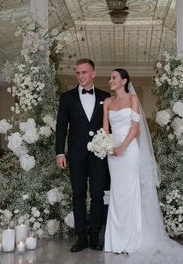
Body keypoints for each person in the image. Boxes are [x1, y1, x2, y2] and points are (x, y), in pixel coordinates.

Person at [103, 68, 183, 263]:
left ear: (124, 81)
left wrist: (122, 147)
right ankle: (115, 241)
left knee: (130, 192)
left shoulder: (132, 100)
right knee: (117, 193)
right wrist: (105, 145)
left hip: (129, 152)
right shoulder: (107, 102)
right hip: (112, 153)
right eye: (110, 78)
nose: (110, 81)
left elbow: (135, 128)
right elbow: (105, 128)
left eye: (114, 78)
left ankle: (132, 240)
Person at [56, 58, 110, 252]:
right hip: (76, 155)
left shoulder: (106, 96)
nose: (80, 76)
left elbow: (110, 126)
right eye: (77, 73)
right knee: (78, 195)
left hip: (98, 155)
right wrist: (60, 152)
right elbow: (61, 126)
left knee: (97, 195)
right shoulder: (67, 97)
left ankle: (95, 236)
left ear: (93, 73)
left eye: (84, 72)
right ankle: (81, 238)